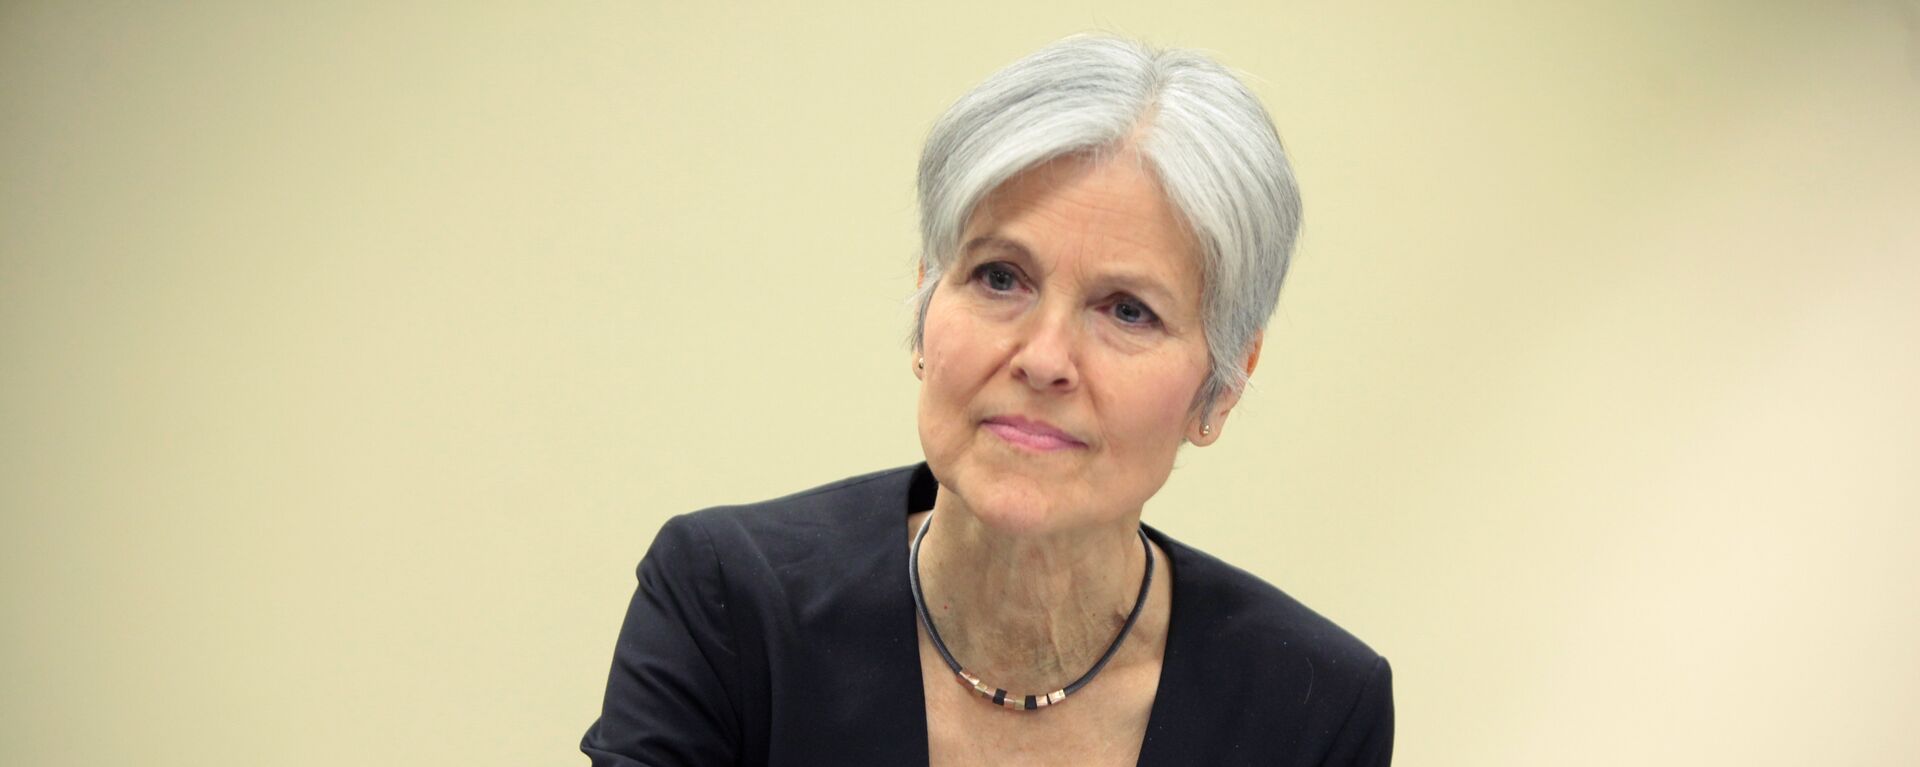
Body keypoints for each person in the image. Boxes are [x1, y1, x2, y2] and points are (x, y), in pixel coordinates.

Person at [582, 35, 1393, 765]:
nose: (1044, 360)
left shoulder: (1313, 708)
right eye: (1000, 277)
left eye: (1127, 310)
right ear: (926, 308)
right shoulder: (728, 606)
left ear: (1222, 383)